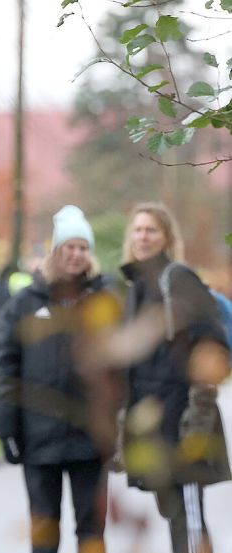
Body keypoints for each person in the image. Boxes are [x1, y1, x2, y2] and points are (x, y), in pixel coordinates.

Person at [0, 205, 111, 553]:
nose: (76, 254)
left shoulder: (105, 299)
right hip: (39, 437)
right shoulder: (25, 302)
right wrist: (6, 429)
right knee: (44, 529)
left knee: (92, 529)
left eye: (83, 247)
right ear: (55, 250)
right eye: (68, 246)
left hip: (91, 438)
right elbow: (5, 366)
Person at [118, 202, 230, 553]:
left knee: (189, 519)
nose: (142, 236)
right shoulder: (136, 287)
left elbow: (210, 350)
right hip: (152, 428)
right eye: (137, 229)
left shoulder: (179, 280)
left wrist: (196, 424)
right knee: (174, 514)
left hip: (182, 422)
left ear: (166, 237)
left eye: (151, 229)